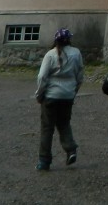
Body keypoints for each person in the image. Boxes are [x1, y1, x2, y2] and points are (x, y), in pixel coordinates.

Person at [34, 28, 84, 171]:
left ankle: (44, 160)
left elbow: (42, 77)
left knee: (47, 128)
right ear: (69, 39)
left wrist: (39, 94)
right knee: (64, 124)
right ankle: (70, 150)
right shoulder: (76, 53)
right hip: (67, 95)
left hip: (51, 95)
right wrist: (74, 92)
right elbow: (80, 76)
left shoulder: (50, 55)